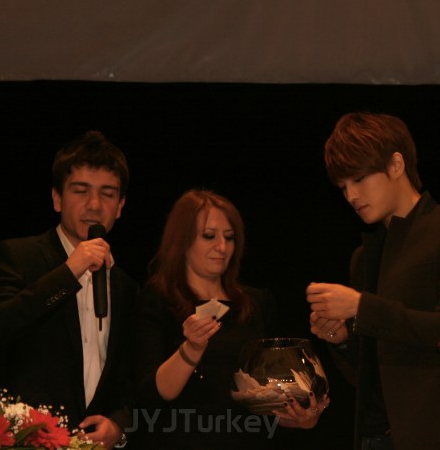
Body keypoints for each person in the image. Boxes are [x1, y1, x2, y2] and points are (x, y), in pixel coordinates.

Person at [306, 112, 440, 450]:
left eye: (359, 179)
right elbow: (369, 373)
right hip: (375, 435)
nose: (351, 196)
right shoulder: (365, 257)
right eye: (343, 187)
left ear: (396, 165)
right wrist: (343, 340)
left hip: (439, 434)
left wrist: (362, 307)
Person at [0, 130, 138, 449]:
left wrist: (118, 425)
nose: (94, 204)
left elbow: (128, 375)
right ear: (57, 198)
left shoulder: (125, 286)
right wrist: (69, 272)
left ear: (120, 206)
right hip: (26, 441)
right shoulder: (16, 256)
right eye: (81, 191)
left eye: (107, 194)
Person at [129, 189, 328, 450]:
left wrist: (300, 418)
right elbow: (149, 396)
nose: (222, 247)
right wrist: (191, 349)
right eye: (209, 236)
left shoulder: (257, 303)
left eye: (229, 237)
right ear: (182, 240)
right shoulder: (158, 300)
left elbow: (270, 402)